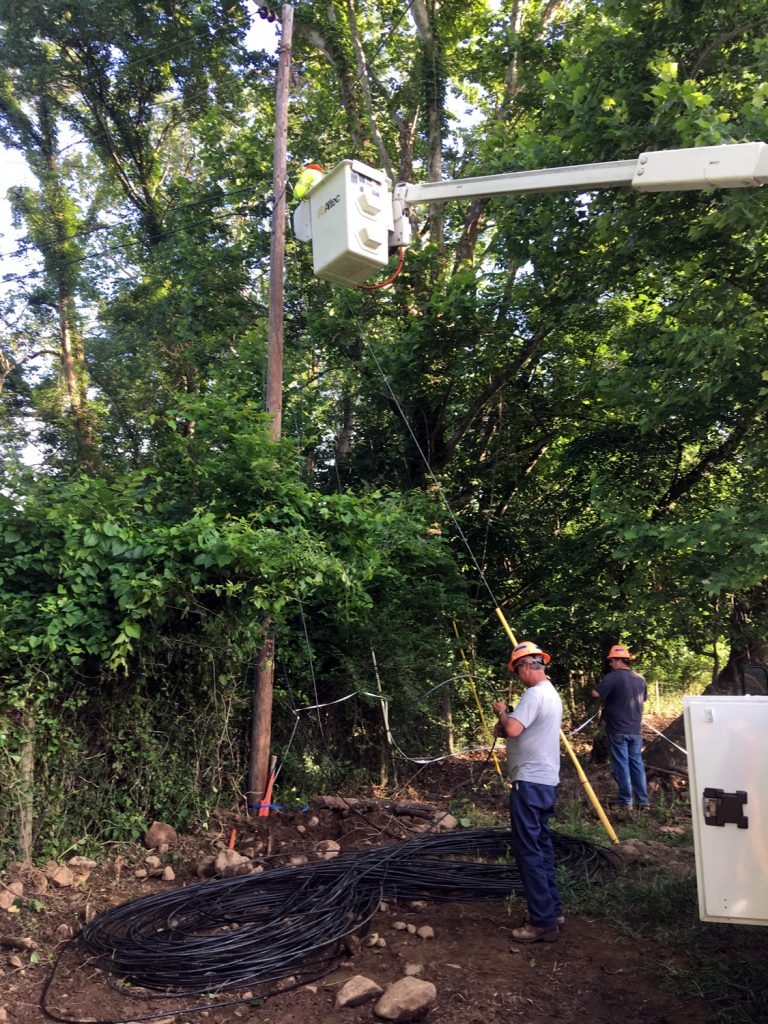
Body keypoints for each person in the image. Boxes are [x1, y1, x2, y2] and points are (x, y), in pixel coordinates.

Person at [492, 640, 563, 944]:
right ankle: (553, 911)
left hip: (529, 782)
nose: (517, 676)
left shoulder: (534, 695)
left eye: (517, 669)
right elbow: (511, 728)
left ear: (526, 666)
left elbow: (512, 730)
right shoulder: (551, 694)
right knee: (543, 847)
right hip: (546, 781)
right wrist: (505, 719)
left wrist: (501, 712)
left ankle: (543, 922)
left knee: (529, 851)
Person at [591, 644, 650, 812]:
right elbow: (644, 698)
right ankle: (643, 802)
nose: (610, 664)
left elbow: (595, 693)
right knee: (637, 764)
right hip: (635, 730)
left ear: (617, 661)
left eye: (611, 661)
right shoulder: (640, 679)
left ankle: (626, 802)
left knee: (622, 765)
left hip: (617, 729)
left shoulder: (613, 677)